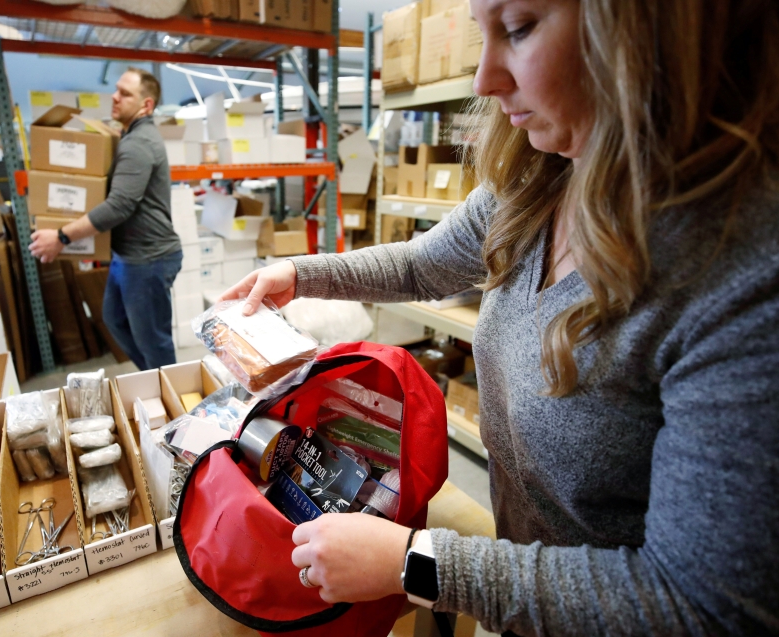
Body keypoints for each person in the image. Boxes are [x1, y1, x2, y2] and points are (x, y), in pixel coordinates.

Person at [222, 0, 779, 634]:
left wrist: (416, 564)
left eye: (517, 30)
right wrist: (301, 275)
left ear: (646, 30)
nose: (484, 78)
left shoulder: (744, 279)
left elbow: (699, 605)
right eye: (479, 35)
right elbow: (420, 265)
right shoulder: (544, 180)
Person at [30, 68, 181, 370]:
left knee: (153, 342)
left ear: (146, 105)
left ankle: (177, 403)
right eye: (116, 90)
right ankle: (154, 378)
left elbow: (119, 206)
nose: (115, 97)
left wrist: (61, 237)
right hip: (129, 257)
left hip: (148, 259)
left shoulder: (139, 144)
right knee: (115, 319)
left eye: (125, 94)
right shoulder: (133, 137)